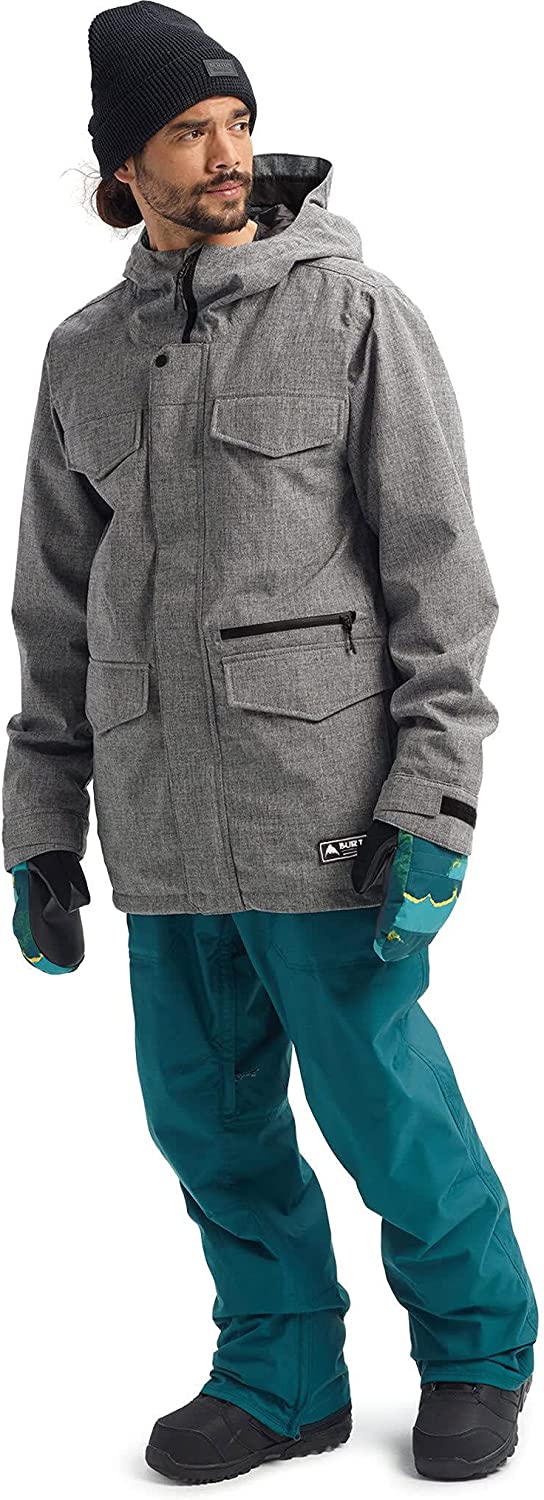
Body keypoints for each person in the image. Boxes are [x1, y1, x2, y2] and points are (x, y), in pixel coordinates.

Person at [2, 2, 537, 1485]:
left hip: (325, 809)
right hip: (160, 817)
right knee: (209, 1123)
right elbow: (54, 610)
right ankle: (282, 1374)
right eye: (190, 131)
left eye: (238, 122)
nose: (226, 153)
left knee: (385, 1108)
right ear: (126, 167)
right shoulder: (82, 355)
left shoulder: (356, 315)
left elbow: (443, 580)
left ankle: (478, 1353)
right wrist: (39, 825)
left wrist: (436, 800)